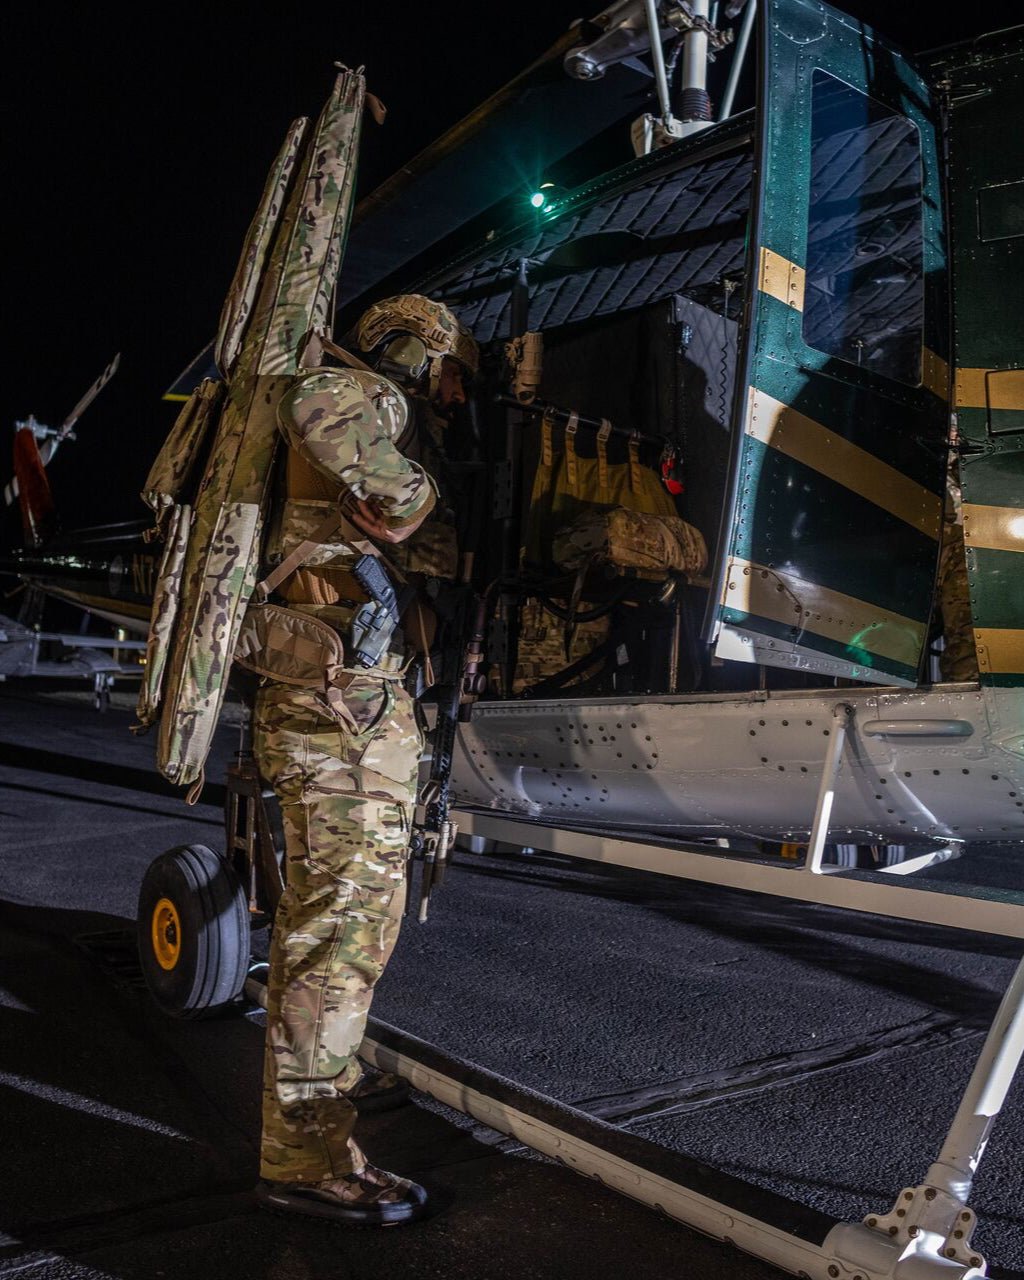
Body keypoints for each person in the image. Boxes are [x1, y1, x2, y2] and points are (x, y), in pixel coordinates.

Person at [251, 294, 478, 1226]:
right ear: (420, 352)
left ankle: (313, 1109)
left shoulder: (380, 408)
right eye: (449, 371)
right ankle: (304, 1158)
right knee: (338, 937)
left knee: (343, 932)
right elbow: (315, 402)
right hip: (335, 719)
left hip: (352, 716)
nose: (452, 394)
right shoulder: (358, 392)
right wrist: (411, 492)